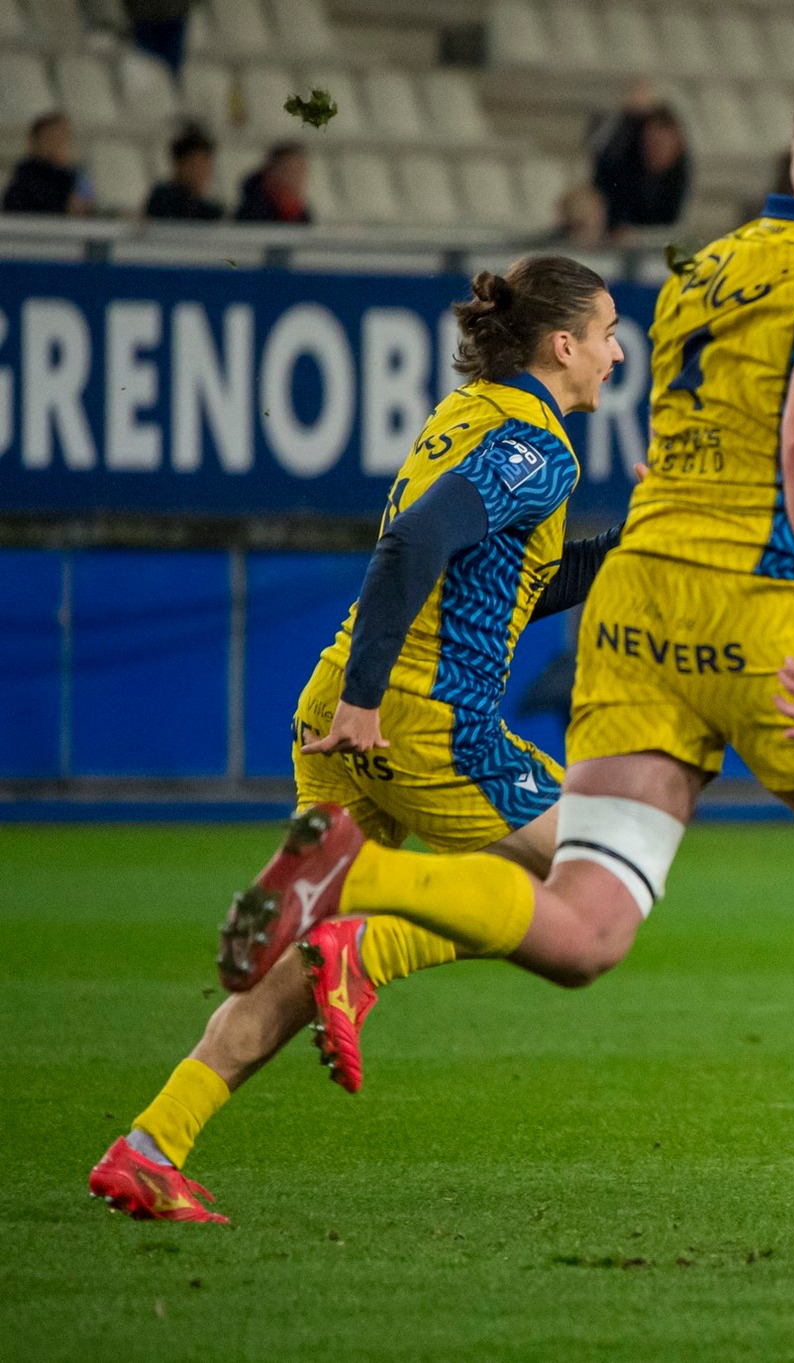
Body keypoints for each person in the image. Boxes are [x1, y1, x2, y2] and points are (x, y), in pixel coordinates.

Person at [181, 80, 794, 1292]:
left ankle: (358, 869)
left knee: (586, 929)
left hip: (637, 605)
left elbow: (728, 456)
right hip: (752, 607)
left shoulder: (708, 271)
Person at [88, 256, 629, 1223]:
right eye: (608, 333)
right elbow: (412, 545)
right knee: (597, 875)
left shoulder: (462, 415)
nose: (617, 353)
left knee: (294, 973)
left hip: (338, 703)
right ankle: (365, 948)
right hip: (418, 716)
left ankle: (150, 1143)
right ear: (563, 346)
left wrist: (631, 545)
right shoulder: (538, 445)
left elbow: (501, 583)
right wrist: (374, 699)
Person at [592, 85, 691, 238]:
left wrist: (638, 235)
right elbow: (599, 152)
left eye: (660, 144)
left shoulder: (681, 176)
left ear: (677, 146)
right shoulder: (622, 167)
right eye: (648, 143)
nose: (652, 150)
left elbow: (676, 227)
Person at [3, 112, 93, 216]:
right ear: (35, 143)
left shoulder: (75, 178)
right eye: (51, 138)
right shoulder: (24, 182)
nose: (58, 145)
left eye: (63, 138)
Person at [144, 124, 225, 221]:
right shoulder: (163, 198)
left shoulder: (208, 210)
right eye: (195, 166)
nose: (202, 173)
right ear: (179, 165)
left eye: (206, 165)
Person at [235, 141, 312, 223]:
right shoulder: (250, 214)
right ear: (271, 172)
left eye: (299, 171)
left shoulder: (303, 215)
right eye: (288, 170)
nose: (295, 179)